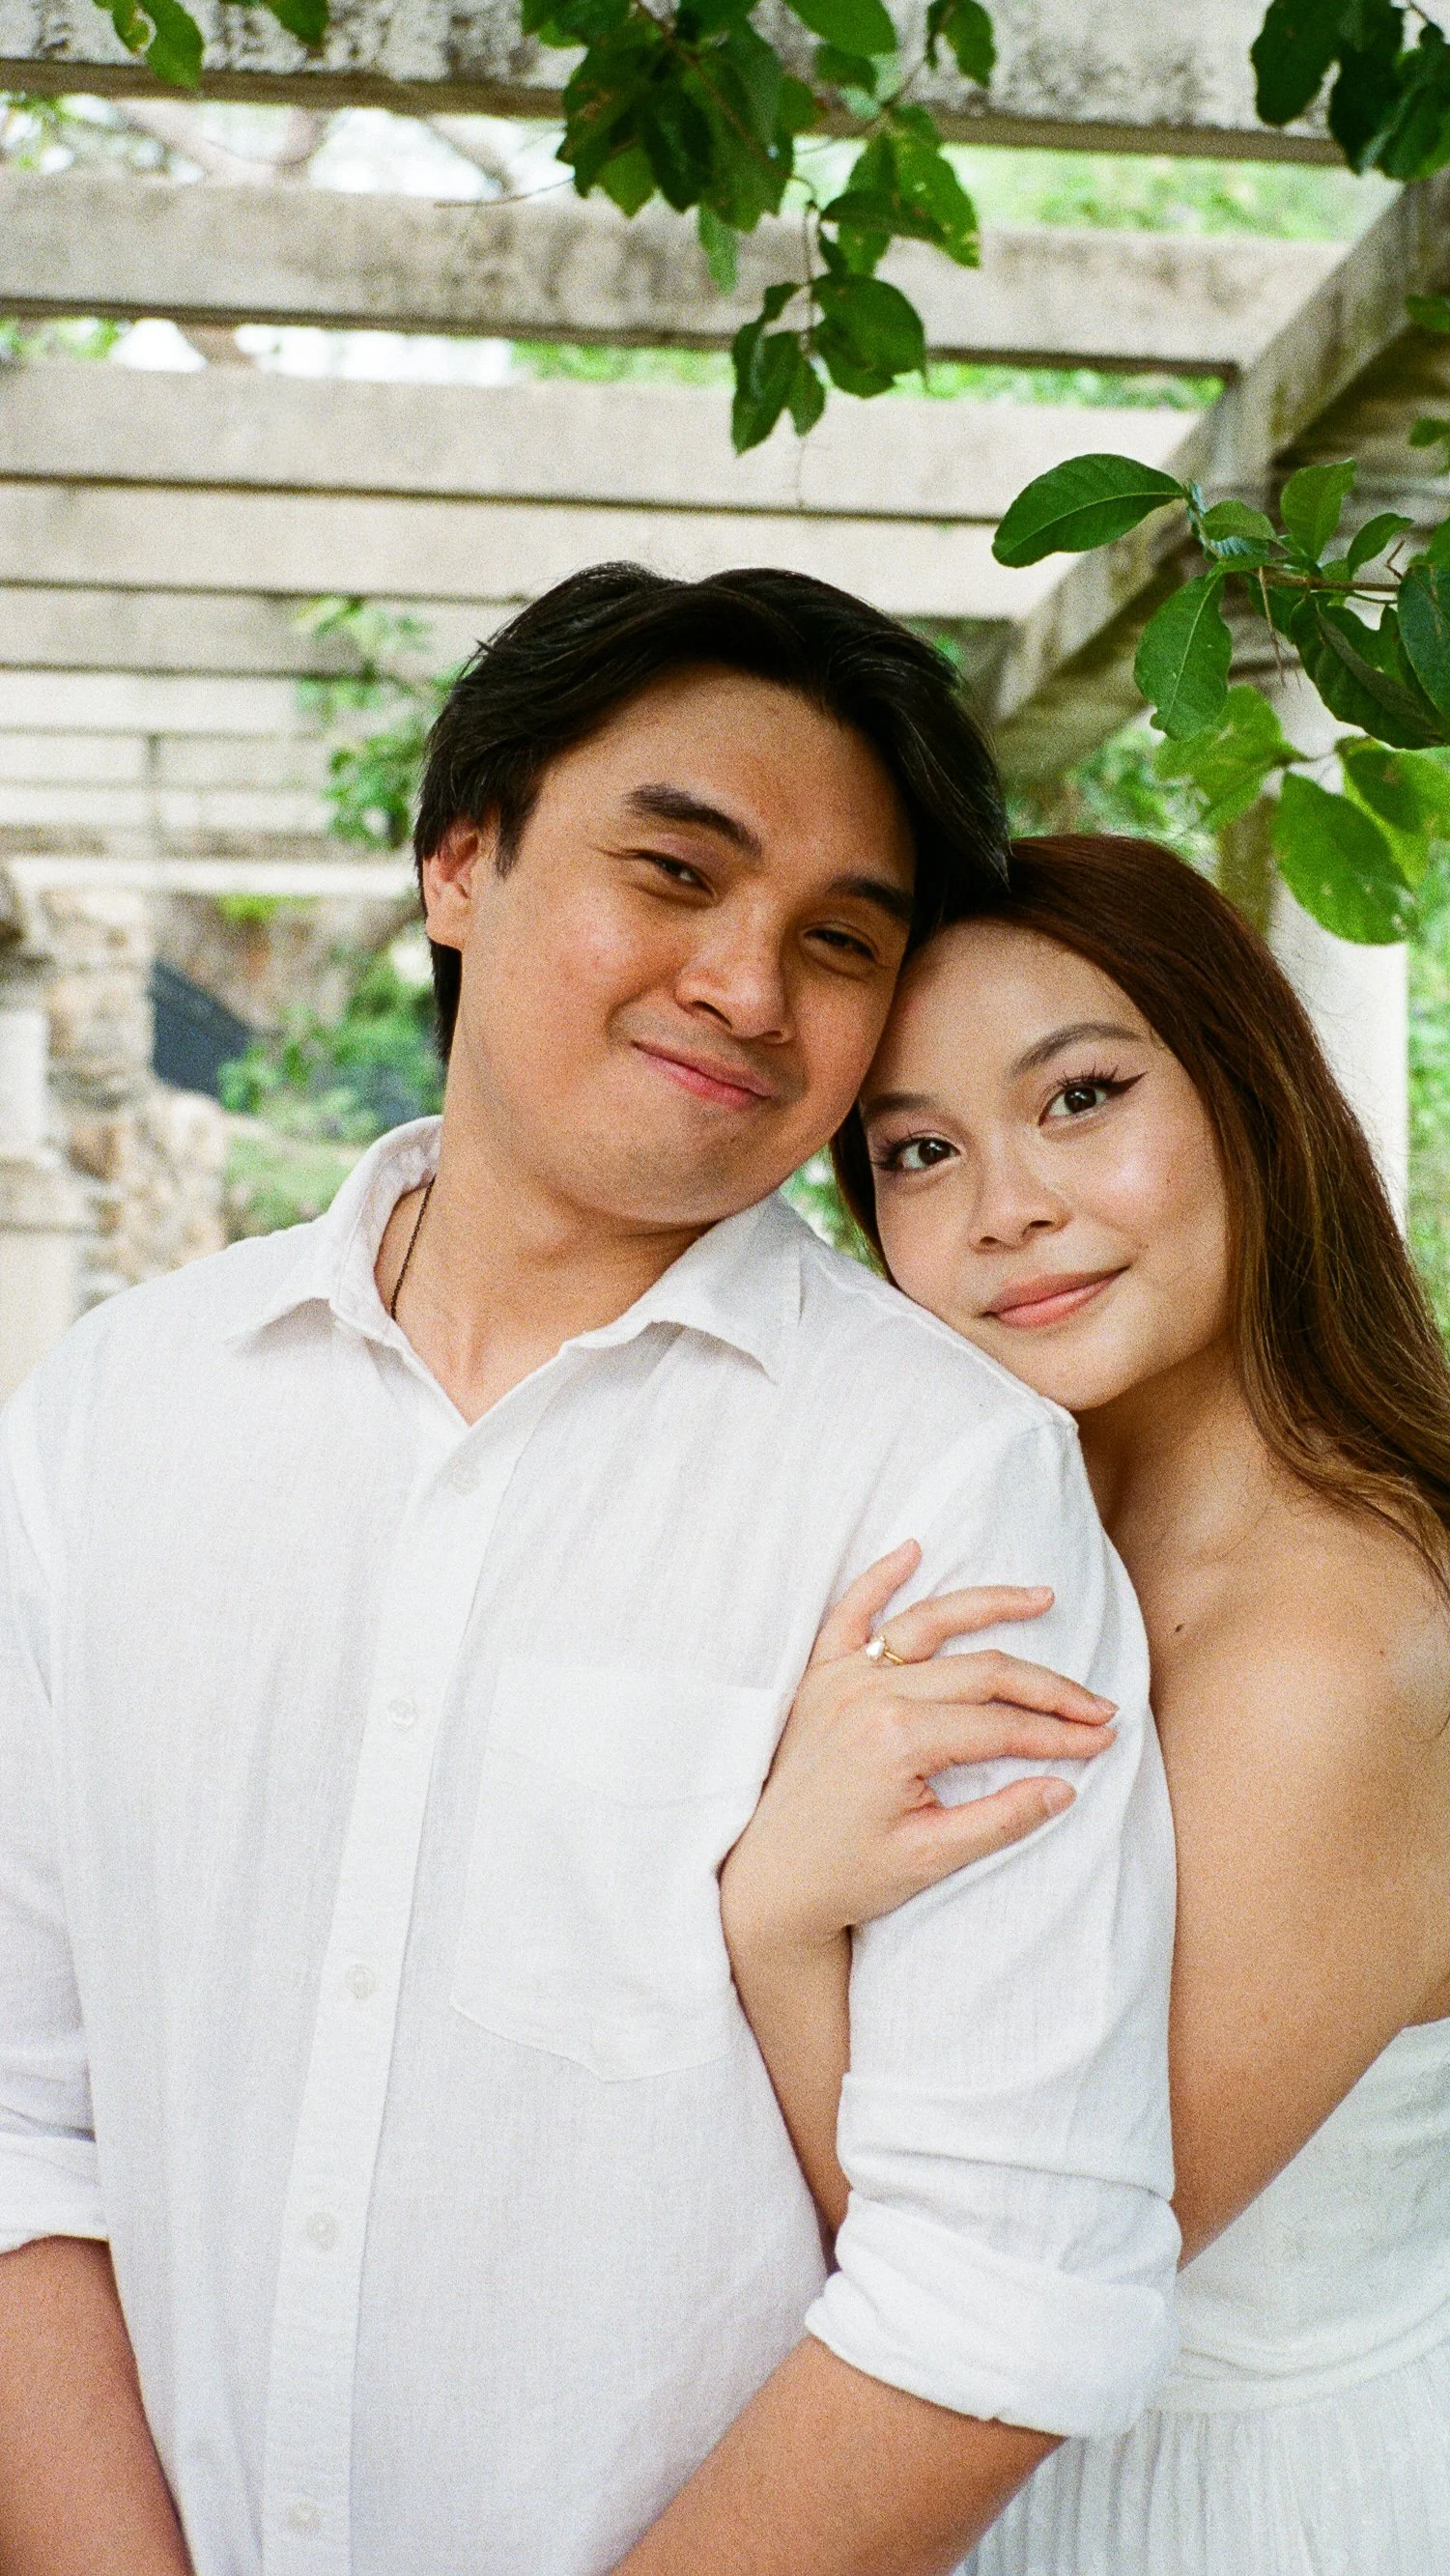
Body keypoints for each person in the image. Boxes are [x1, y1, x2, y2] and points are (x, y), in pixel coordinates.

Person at [0, 568, 1183, 2576]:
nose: (746, 984)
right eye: (673, 872)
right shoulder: (119, 1406)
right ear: (461, 860)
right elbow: (24, 2118)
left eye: (836, 940)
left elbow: (998, 2273)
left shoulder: (946, 1480)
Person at [721, 832, 1450, 2575]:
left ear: (1249, 1096)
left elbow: (1017, 2268)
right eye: (918, 1149)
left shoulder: (1337, 1645)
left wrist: (778, 1919)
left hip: (1230, 2513)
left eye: (1078, 1096)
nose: (1005, 1201)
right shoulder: (1020, 1542)